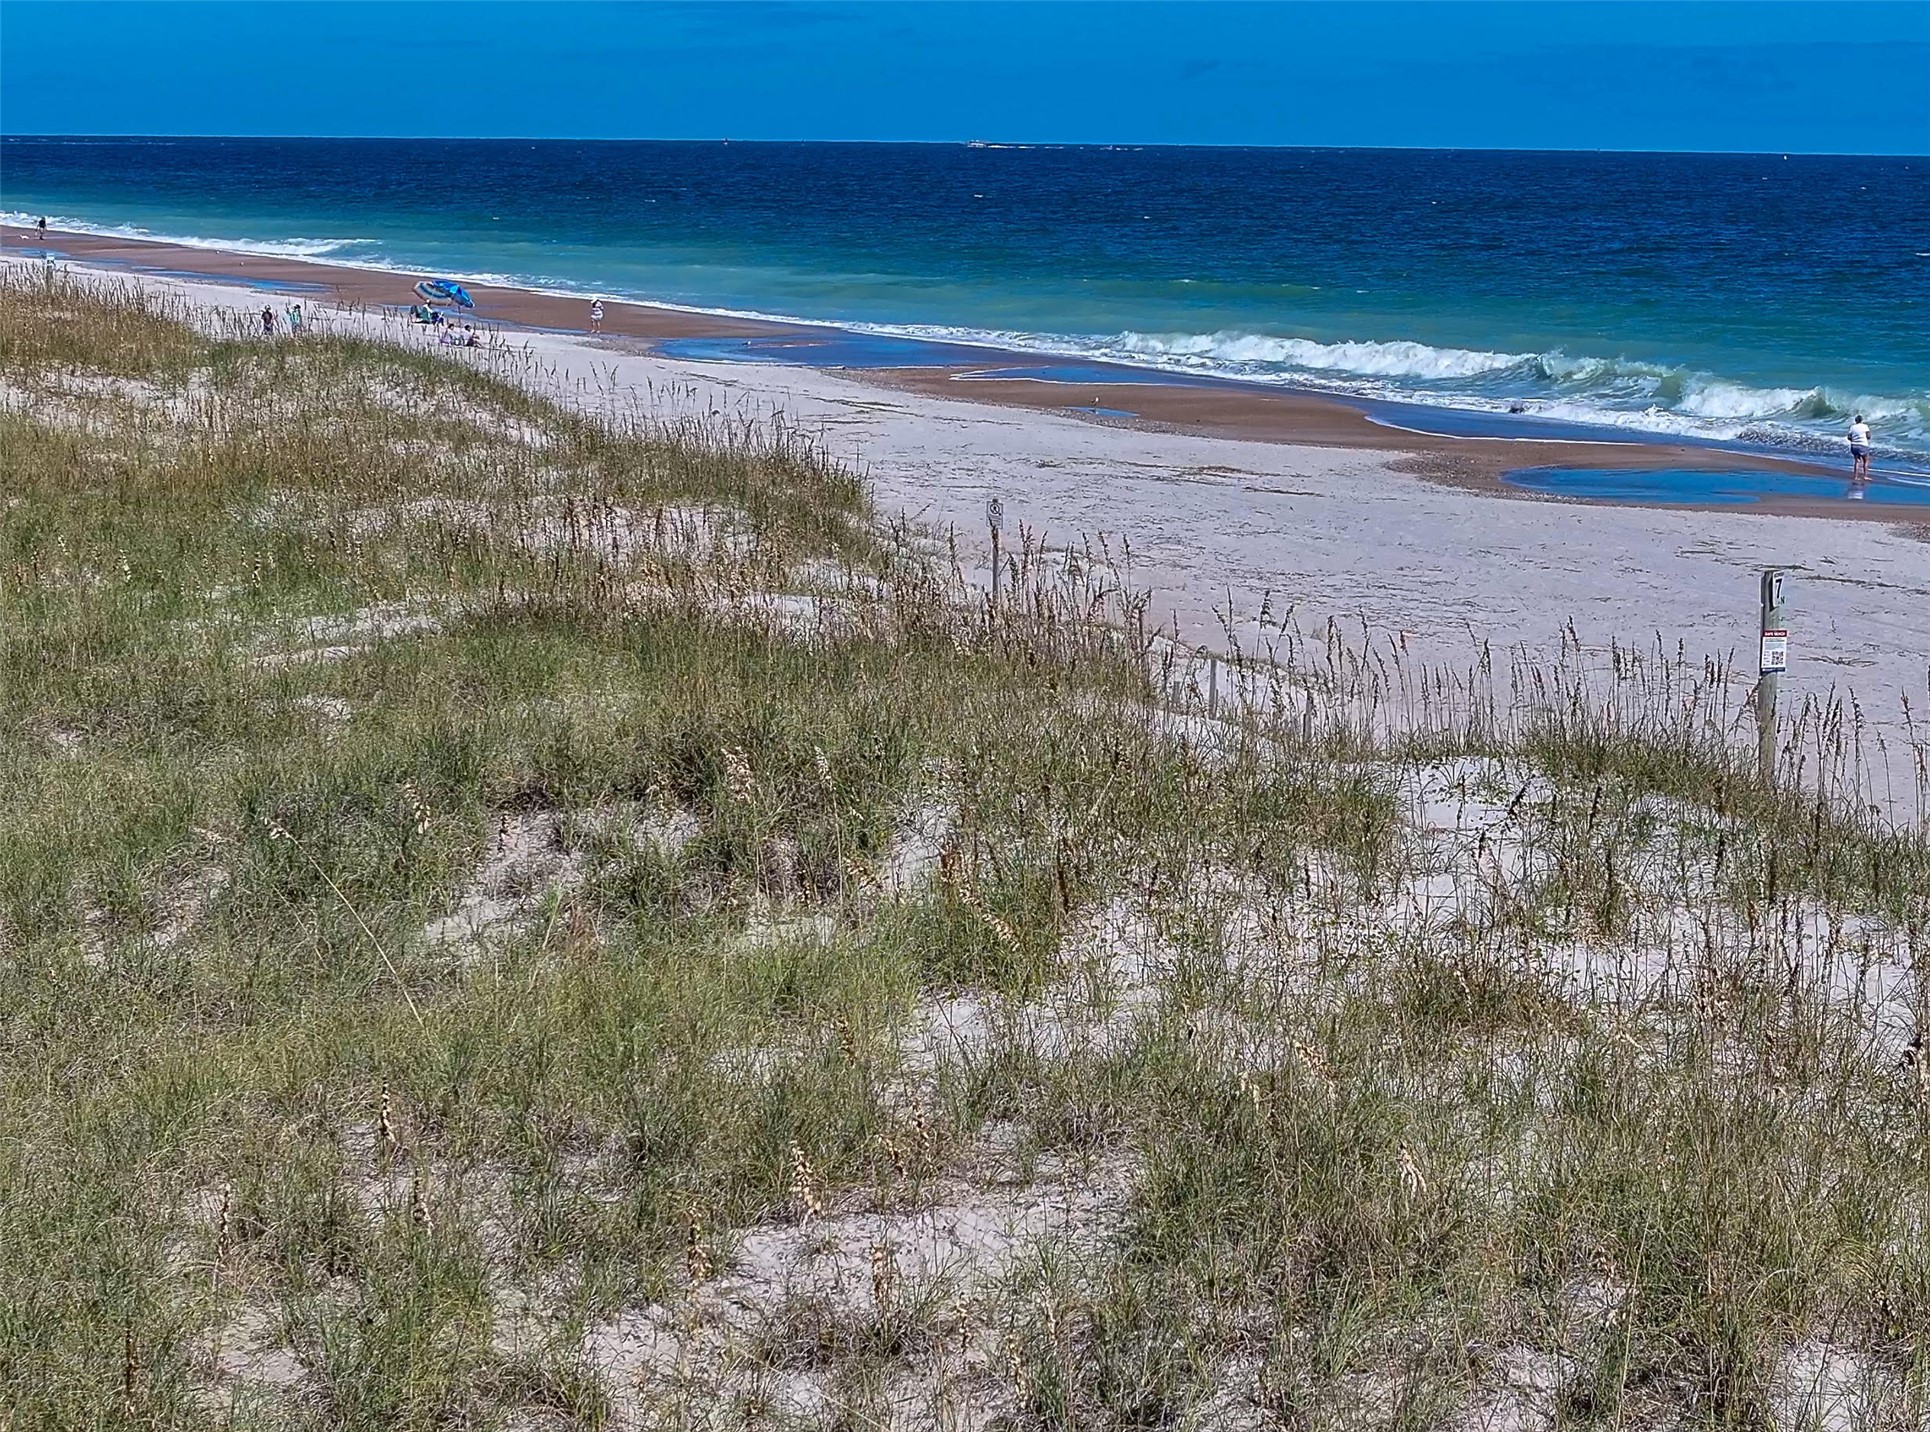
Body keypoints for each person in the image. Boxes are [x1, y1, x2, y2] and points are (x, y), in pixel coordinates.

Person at [1848, 413, 1872, 480]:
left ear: (1856, 421)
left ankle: (1855, 476)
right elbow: (1868, 436)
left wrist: (1854, 439)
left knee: (1857, 461)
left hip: (1854, 445)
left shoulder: (1852, 427)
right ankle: (1865, 476)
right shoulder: (1865, 426)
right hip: (1863, 445)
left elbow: (1849, 437)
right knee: (1865, 461)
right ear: (1862, 420)